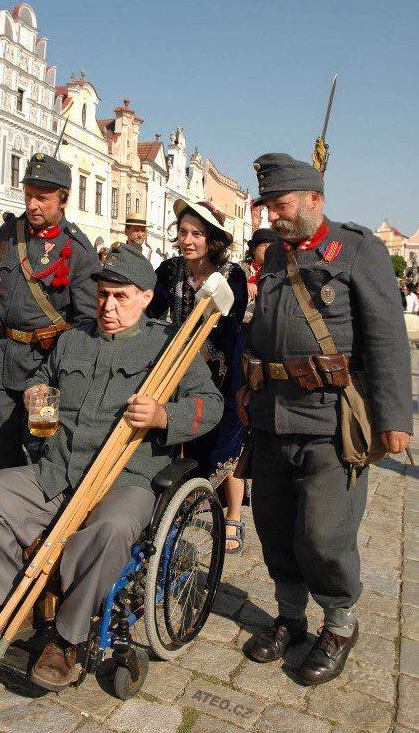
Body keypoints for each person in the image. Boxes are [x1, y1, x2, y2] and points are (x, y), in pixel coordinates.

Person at [0, 243, 223, 691]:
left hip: (126, 479)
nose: (108, 306)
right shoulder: (73, 338)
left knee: (112, 529)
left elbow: (211, 405)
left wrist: (164, 417)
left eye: (121, 297)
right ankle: (6, 608)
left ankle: (68, 638)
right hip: (59, 470)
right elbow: (44, 375)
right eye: (103, 295)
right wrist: (38, 392)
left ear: (145, 297)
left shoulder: (169, 348)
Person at [240, 153, 412, 684]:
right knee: (273, 526)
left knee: (323, 534)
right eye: (268, 205)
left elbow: (386, 338)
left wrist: (393, 416)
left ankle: (338, 623)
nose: (274, 215)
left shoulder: (359, 250)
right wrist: (248, 383)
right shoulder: (273, 258)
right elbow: (262, 328)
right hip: (270, 416)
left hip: (328, 419)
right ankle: (289, 617)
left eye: (283, 204)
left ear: (315, 199)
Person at [0, 153, 99, 472]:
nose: (33, 205)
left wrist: (64, 373)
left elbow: (86, 323)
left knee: (43, 451)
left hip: (44, 371)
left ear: (63, 200)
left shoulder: (78, 251)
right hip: (1, 361)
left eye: (42, 198)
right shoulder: (8, 234)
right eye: (28, 196)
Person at [147, 199, 248, 554]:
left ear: (213, 239)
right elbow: (151, 310)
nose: (187, 239)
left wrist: (212, 297)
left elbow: (230, 311)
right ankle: (176, 506)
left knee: (225, 444)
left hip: (221, 374)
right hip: (177, 372)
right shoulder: (169, 270)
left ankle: (232, 514)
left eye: (197, 234)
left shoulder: (232, 273)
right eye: (183, 232)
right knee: (177, 436)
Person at [243, 228, 280, 322]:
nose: (268, 249)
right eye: (264, 245)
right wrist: (243, 285)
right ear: (254, 250)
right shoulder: (239, 269)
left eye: (272, 246)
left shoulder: (279, 274)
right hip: (238, 323)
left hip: (262, 326)